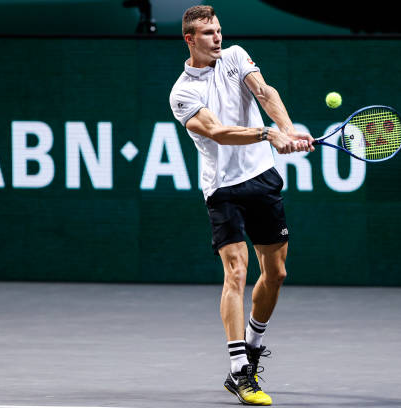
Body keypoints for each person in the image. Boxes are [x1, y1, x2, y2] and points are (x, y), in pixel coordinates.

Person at [169, 5, 314, 406]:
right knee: (236, 272)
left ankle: (252, 347)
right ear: (189, 39)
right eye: (207, 33)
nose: (216, 37)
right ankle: (238, 371)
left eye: (218, 30)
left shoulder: (235, 55)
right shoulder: (182, 92)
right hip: (224, 190)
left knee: (277, 273)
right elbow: (216, 132)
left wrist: (288, 130)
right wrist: (270, 135)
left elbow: (266, 92)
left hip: (262, 180)